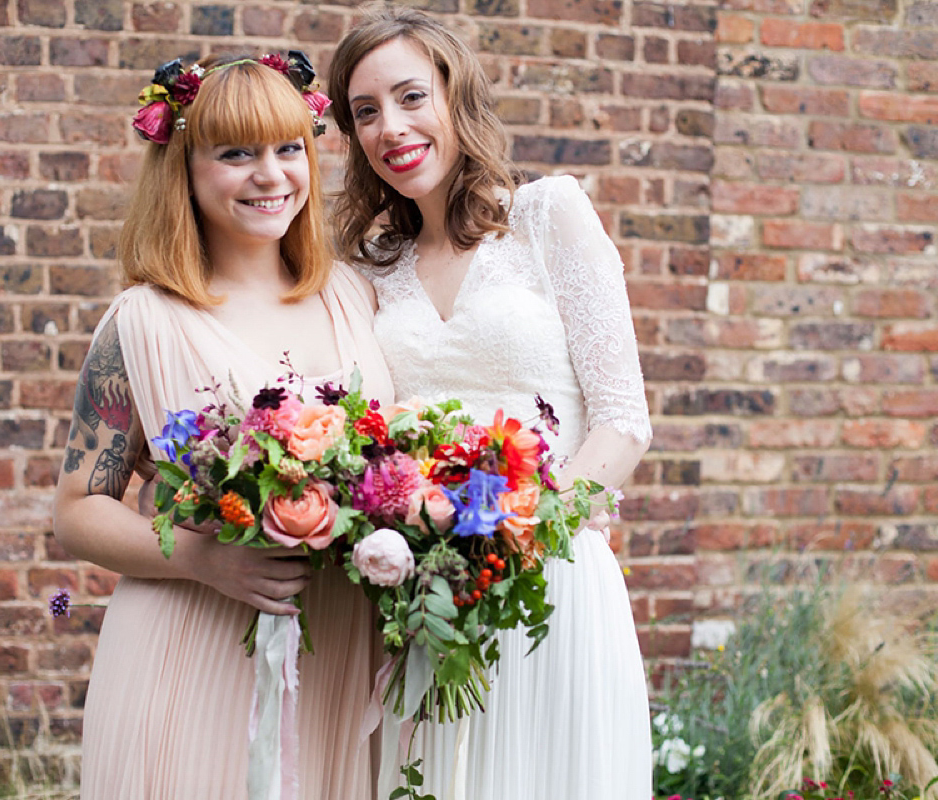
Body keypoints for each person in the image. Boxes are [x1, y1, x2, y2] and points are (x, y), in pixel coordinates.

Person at [327, 8, 653, 799]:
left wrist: (519, 538)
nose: (390, 127)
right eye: (365, 112)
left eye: (410, 97)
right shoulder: (370, 266)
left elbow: (623, 420)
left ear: (455, 94)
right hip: (427, 596)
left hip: (551, 583)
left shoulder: (548, 217)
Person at [52, 52, 392, 800]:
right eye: (235, 153)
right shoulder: (144, 321)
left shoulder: (352, 295)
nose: (270, 176)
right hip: (192, 648)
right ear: (184, 166)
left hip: (334, 654)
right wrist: (202, 560)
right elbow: (78, 510)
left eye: (287, 149)